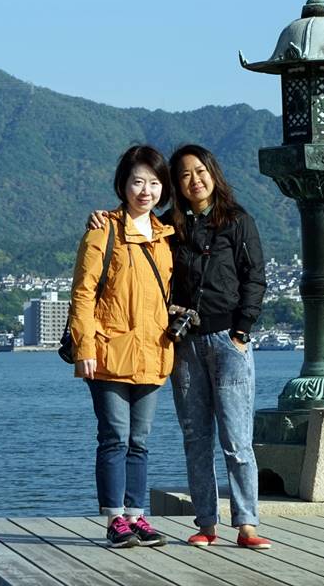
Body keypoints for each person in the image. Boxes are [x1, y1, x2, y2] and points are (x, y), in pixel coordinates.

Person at [88, 144, 270, 549]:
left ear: (213, 174)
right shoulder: (169, 226)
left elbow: (255, 277)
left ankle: (247, 524)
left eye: (200, 171)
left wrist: (241, 332)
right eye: (185, 175)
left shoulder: (238, 221)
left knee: (237, 440)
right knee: (195, 438)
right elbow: (130, 231)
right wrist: (99, 218)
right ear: (177, 184)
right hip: (183, 344)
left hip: (228, 341)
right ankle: (206, 523)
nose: (194, 180)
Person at [69, 145, 175, 548]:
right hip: (108, 352)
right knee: (114, 436)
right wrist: (84, 348)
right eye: (137, 182)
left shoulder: (166, 236)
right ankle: (115, 519)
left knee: (140, 441)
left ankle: (136, 516)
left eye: (154, 183)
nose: (145, 191)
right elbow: (82, 294)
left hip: (153, 352)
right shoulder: (103, 230)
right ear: (123, 185)